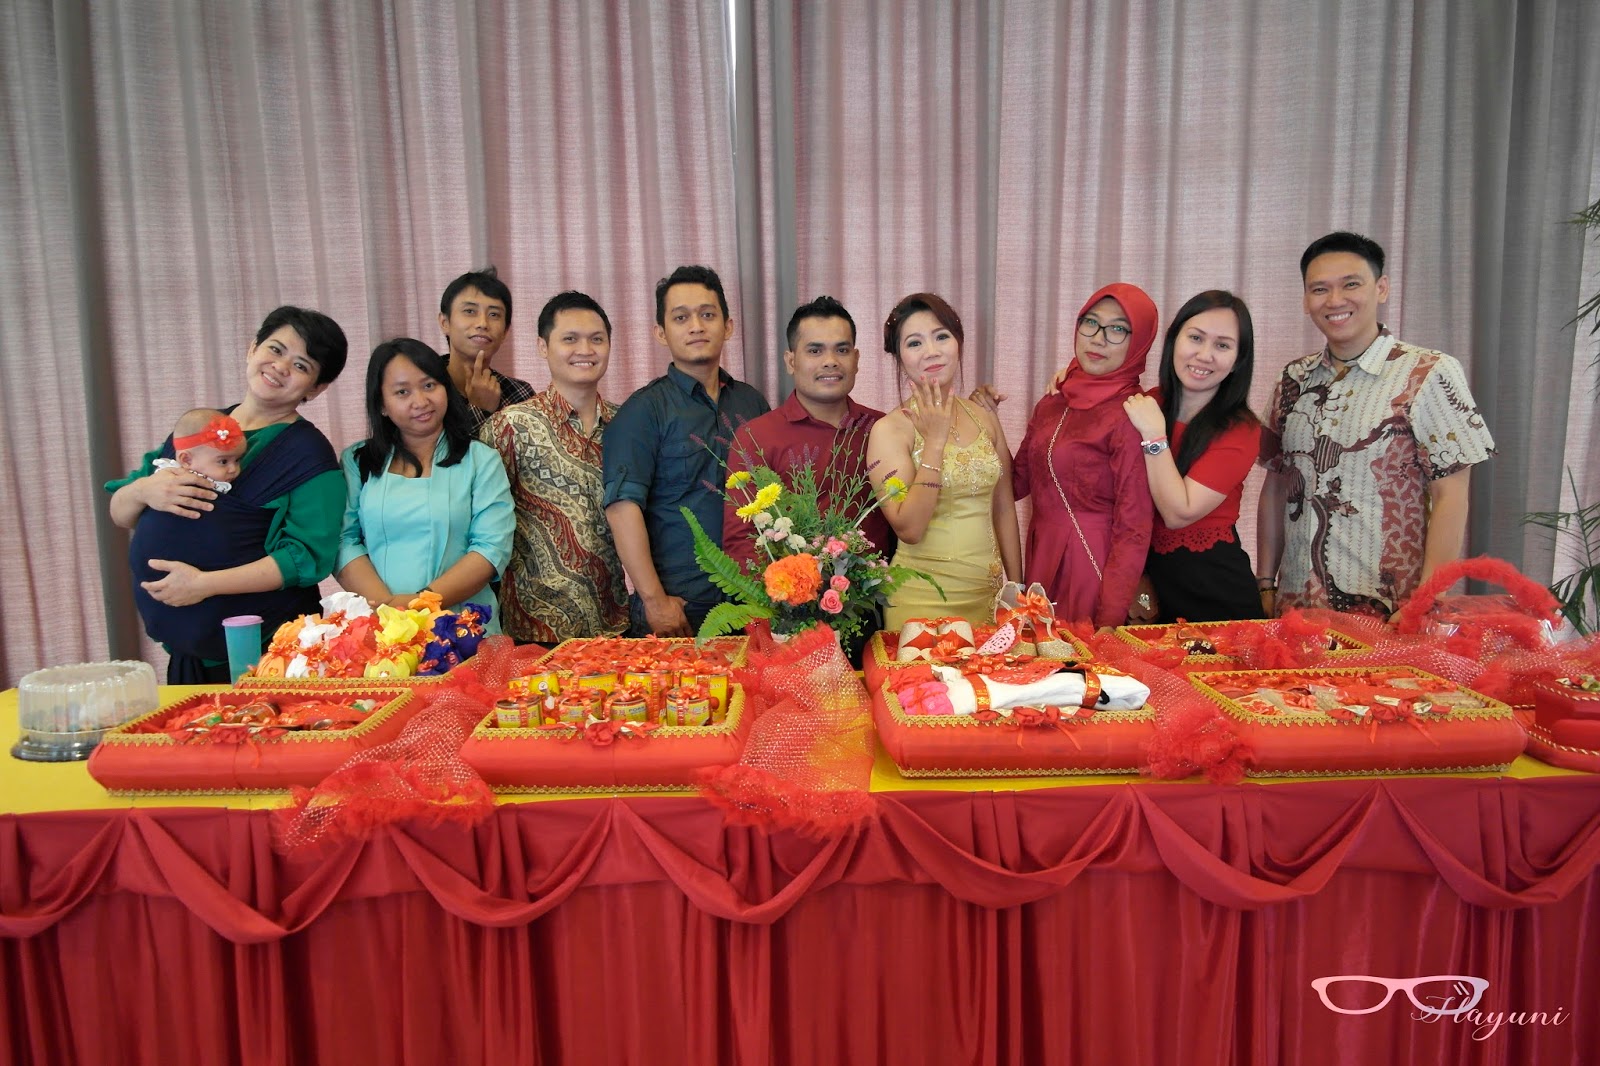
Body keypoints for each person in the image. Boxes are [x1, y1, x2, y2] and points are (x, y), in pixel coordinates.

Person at [1256, 231, 1496, 618]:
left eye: (1351, 284)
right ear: (1305, 299)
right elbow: (1276, 485)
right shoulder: (1293, 379)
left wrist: (1426, 600)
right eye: (1320, 289)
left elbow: (1451, 495)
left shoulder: (1428, 372)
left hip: (1391, 614)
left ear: (1381, 288)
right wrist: (1265, 581)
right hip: (1295, 612)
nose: (1335, 300)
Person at [107, 306, 350, 683]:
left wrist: (203, 584)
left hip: (268, 655)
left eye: (301, 365)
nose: (280, 366)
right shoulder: (197, 427)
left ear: (316, 388)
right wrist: (144, 489)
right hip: (189, 655)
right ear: (252, 348)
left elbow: (306, 560)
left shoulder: (308, 455)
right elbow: (120, 511)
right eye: (275, 349)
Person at [603, 265, 770, 636]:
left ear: (728, 326)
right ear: (661, 333)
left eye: (707, 315)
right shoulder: (643, 411)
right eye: (681, 318)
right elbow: (622, 509)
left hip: (753, 604)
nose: (696, 326)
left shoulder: (752, 403)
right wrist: (654, 601)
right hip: (678, 612)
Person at [866, 293, 1022, 631]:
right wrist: (934, 444)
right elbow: (909, 529)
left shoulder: (984, 416)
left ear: (958, 343)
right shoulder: (890, 430)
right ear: (899, 357)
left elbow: (1004, 508)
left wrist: (1017, 588)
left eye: (941, 336)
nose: (931, 351)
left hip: (990, 597)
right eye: (914, 343)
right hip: (923, 601)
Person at [335, 338, 514, 632]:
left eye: (429, 385)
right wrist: (388, 609)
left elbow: (490, 548)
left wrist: (419, 604)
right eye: (402, 392)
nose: (420, 401)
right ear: (381, 404)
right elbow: (344, 541)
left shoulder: (481, 460)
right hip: (380, 626)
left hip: (464, 629)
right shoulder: (358, 461)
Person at [479, 291, 629, 643]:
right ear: (543, 346)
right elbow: (485, 528)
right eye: (570, 339)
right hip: (533, 630)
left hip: (617, 624)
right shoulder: (510, 426)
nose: (585, 350)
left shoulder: (628, 424)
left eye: (597, 339)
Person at [1013, 283, 1158, 629]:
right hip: (1042, 556)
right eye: (1090, 323)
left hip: (1092, 565)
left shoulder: (1131, 414)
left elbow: (1134, 526)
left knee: (1083, 656)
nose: (1098, 339)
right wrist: (984, 422)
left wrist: (1110, 615)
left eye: (1117, 330)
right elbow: (1016, 482)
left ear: (1139, 343)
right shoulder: (1053, 401)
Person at [722, 295, 893, 569]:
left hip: (880, 590)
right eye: (815, 351)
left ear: (856, 359)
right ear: (790, 361)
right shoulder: (755, 438)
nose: (830, 361)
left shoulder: (883, 428)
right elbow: (742, 543)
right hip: (788, 594)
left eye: (842, 350)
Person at [1122, 291, 1263, 623]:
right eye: (1196, 338)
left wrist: (1154, 436)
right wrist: (1069, 381)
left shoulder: (1240, 429)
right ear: (1174, 341)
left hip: (1214, 590)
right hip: (1148, 585)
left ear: (1238, 361)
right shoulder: (1147, 404)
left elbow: (1178, 512)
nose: (1204, 355)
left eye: (1222, 345)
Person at [437, 266, 536, 428]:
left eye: (494, 314)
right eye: (470, 311)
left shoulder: (518, 394)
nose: (482, 323)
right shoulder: (424, 387)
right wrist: (481, 409)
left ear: (505, 332)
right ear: (444, 322)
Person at [152, 409, 247, 492]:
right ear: (187, 460)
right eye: (223, 461)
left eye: (237, 460)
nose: (234, 469)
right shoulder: (173, 485)